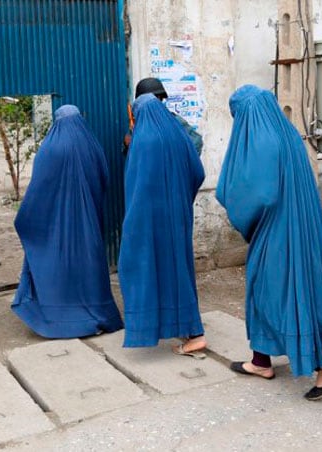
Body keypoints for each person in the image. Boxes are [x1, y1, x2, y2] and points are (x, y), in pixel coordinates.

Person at [216, 85, 322, 399]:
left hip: (277, 230)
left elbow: (258, 195)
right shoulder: (287, 134)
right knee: (292, 290)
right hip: (301, 227)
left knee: (274, 293)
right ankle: (261, 361)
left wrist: (238, 209)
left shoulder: (262, 142)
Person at [11, 105, 124, 338]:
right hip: (88, 224)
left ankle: (60, 316)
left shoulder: (51, 148)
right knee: (89, 267)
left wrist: (27, 217)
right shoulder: (92, 145)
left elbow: (39, 188)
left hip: (56, 226)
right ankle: (98, 314)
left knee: (57, 265)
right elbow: (104, 178)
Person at [118, 92, 207, 355]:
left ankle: (152, 327)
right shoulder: (178, 134)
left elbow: (137, 185)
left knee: (141, 270)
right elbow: (198, 172)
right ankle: (191, 330)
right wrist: (180, 199)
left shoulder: (144, 140)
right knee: (177, 271)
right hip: (177, 217)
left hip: (148, 220)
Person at [123, 77, 203, 156]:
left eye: (157, 99)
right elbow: (130, 154)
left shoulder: (174, 120)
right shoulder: (138, 124)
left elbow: (196, 141)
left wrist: (179, 160)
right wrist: (128, 145)